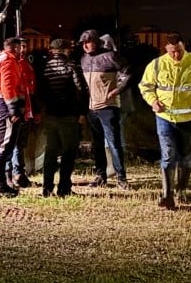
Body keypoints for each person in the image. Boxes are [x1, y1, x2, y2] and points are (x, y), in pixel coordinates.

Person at [138, 33, 191, 210]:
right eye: (172, 52)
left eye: (179, 51)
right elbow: (145, 86)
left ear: (184, 47)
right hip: (165, 118)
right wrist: (153, 101)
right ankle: (167, 195)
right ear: (166, 49)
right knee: (167, 156)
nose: (176, 55)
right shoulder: (157, 64)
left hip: (189, 119)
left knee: (186, 158)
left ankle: (182, 191)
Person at [78, 30, 133, 190]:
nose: (86, 45)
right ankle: (100, 176)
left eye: (89, 42)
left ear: (97, 41)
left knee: (114, 143)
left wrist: (117, 90)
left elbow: (128, 71)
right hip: (91, 107)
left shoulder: (111, 56)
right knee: (97, 144)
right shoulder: (84, 59)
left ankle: (121, 178)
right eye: (84, 43)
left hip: (108, 106)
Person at [35, 38, 89, 197]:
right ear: (67, 50)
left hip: (50, 115)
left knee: (50, 152)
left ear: (51, 50)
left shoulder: (44, 67)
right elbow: (81, 90)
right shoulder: (71, 65)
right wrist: (82, 112)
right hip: (68, 115)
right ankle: (64, 188)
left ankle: (46, 189)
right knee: (69, 152)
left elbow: (39, 92)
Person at [0, 36, 27, 198]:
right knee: (2, 148)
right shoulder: (8, 62)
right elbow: (8, 87)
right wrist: (13, 109)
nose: (23, 50)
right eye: (20, 47)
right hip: (3, 109)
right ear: (14, 48)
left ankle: (1, 184)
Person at [9, 49, 38, 188]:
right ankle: (15, 174)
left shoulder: (26, 66)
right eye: (20, 47)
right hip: (19, 110)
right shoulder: (13, 65)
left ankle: (18, 173)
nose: (23, 50)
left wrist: (33, 110)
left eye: (25, 46)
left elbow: (30, 91)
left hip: (25, 109)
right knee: (15, 144)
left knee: (19, 143)